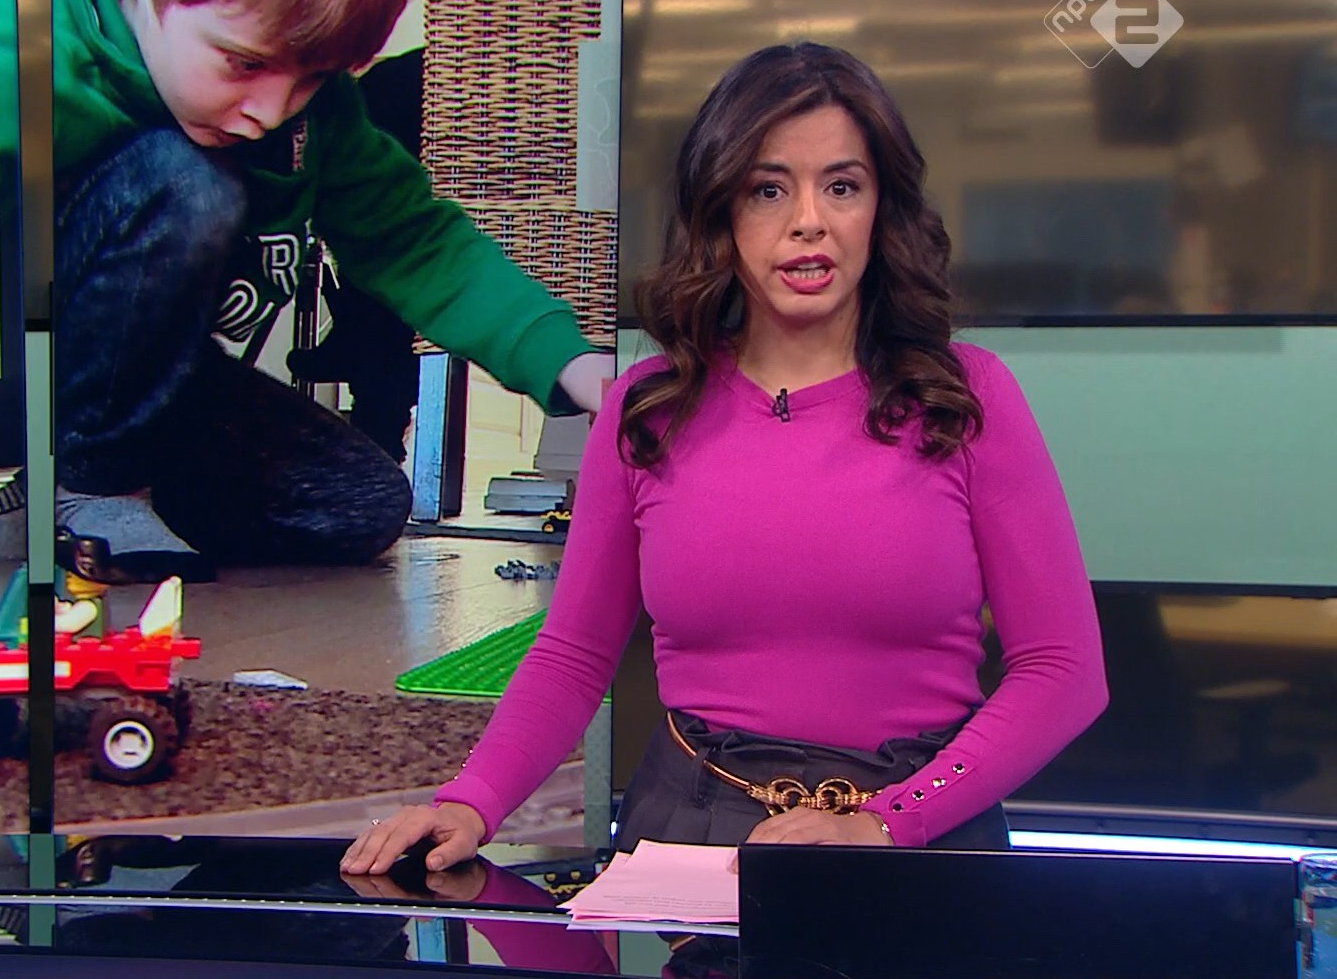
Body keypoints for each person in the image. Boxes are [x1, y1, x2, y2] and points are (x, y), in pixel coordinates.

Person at [343, 42, 1109, 876]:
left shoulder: (968, 397)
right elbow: (573, 655)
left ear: (881, 209)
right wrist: (470, 799)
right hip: (693, 826)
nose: (808, 220)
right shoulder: (648, 409)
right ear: (721, 211)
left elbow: (1063, 671)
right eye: (767, 189)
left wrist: (887, 823)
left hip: (922, 830)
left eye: (842, 186)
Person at [0, 0, 610, 583]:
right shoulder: (23, 52)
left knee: (361, 505)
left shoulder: (307, 108)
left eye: (311, 77)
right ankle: (91, 490)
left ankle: (40, 514)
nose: (271, 110)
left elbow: (415, 240)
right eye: (243, 63)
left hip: (139, 385)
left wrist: (572, 364)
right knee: (186, 179)